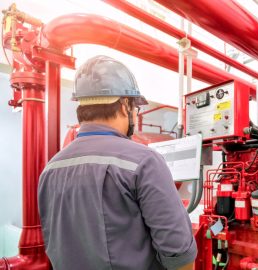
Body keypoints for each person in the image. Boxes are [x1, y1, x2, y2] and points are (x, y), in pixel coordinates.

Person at [38, 55, 197, 270]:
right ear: (124, 105)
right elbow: (180, 257)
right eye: (135, 108)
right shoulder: (144, 161)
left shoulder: (50, 169)